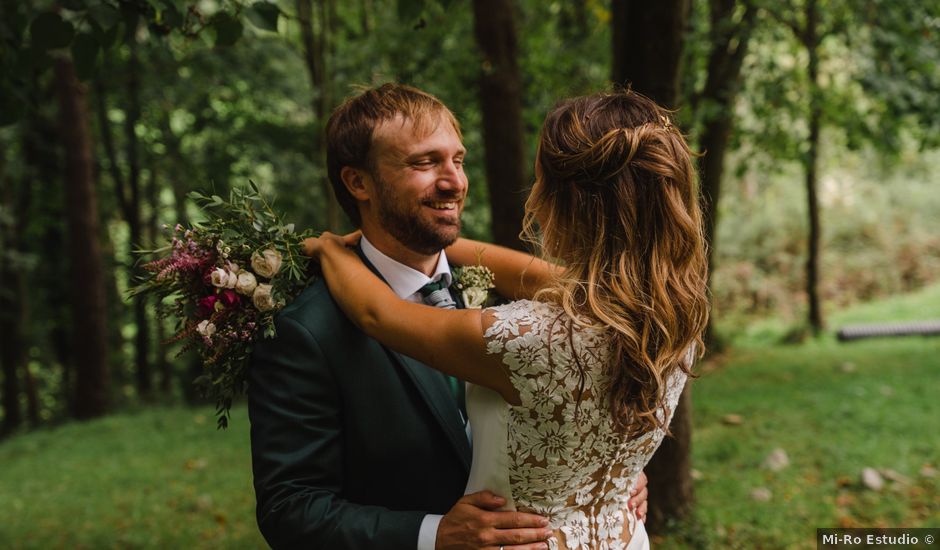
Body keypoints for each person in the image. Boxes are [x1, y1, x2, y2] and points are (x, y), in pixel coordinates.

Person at [248, 83, 648, 549]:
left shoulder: (513, 295)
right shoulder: (308, 329)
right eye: (425, 162)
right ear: (358, 183)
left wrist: (608, 474)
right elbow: (289, 508)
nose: (454, 180)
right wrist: (433, 534)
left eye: (457, 159)